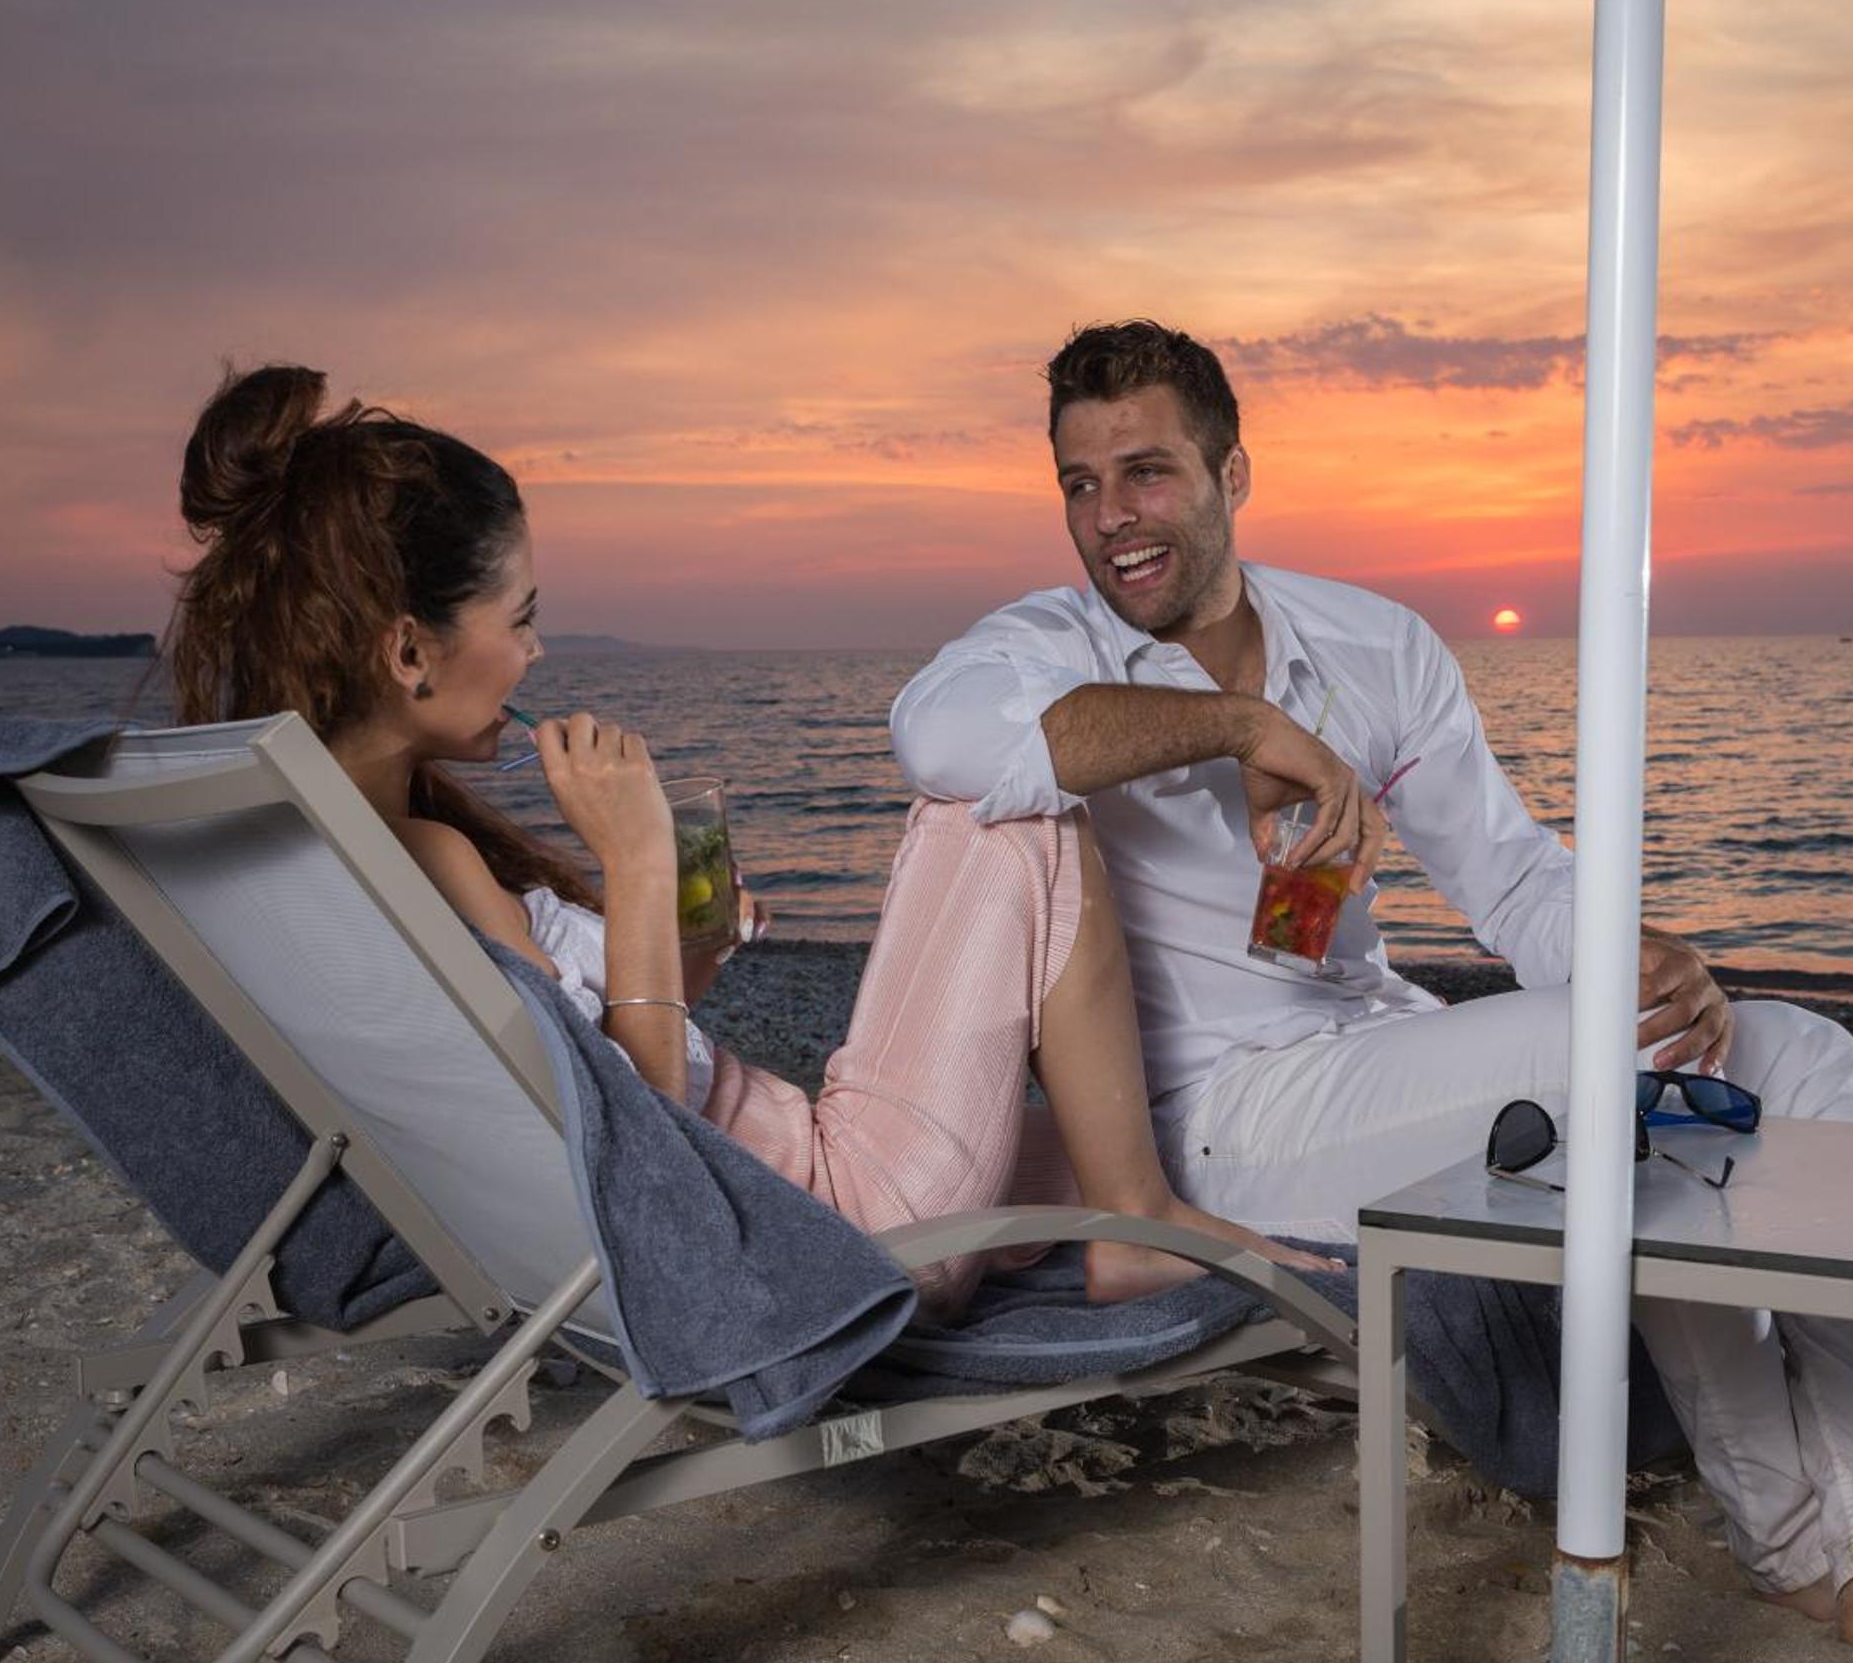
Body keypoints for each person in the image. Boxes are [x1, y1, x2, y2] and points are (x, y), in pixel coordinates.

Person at [889, 320, 1853, 1653]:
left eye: (1145, 472)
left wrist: (1637, 957)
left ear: (1230, 473)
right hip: (1218, 1123)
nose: (1109, 518)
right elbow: (937, 737)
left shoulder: (1374, 644)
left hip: (1385, 1058)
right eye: (1079, 484)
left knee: (1799, 1056)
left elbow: (1513, 878)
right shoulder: (1041, 648)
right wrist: (1243, 724)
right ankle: (1805, 1540)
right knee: (1634, 1081)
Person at [157, 362, 1338, 1316]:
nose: (535, 654)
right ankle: (1142, 1235)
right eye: (521, 619)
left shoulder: (324, 871)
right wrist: (634, 863)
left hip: (799, 1174)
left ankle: (1176, 1204)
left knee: (1164, 1150)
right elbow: (632, 1158)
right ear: (410, 651)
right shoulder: (430, 863)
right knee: (1003, 804)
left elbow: (583, 1078)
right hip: (823, 1219)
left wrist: (685, 946)